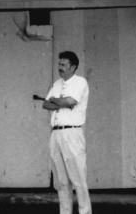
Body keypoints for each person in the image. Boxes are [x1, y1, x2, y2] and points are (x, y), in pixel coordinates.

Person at [43, 51, 91, 214]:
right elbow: (45, 105)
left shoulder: (80, 82)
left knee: (78, 179)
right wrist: (62, 102)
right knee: (61, 181)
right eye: (59, 64)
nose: (60, 68)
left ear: (73, 67)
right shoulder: (57, 84)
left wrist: (57, 101)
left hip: (72, 133)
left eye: (63, 65)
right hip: (55, 134)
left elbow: (70, 101)